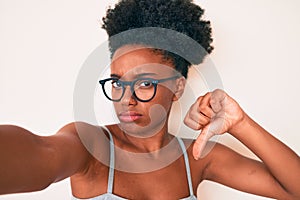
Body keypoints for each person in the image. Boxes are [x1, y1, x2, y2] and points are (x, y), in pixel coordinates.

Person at [0, 0, 299, 199]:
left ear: (179, 87)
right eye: (117, 82)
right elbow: (41, 152)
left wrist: (241, 123)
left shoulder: (197, 158)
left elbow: (293, 189)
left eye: (145, 83)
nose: (125, 100)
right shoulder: (91, 145)